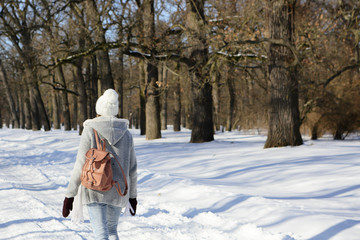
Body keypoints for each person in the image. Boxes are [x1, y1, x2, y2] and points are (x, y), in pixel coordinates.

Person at [62, 89, 137, 240]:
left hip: (94, 188)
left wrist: (70, 194)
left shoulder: (90, 130)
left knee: (101, 235)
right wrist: (133, 197)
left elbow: (81, 164)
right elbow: (132, 169)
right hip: (118, 190)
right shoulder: (126, 134)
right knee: (111, 231)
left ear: (99, 110)